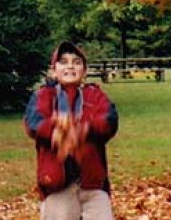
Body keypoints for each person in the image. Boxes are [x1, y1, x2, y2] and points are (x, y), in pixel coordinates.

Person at [23, 41, 119, 220]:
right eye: (64, 62)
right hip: (57, 183)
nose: (70, 66)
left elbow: (109, 121)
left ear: (84, 70)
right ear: (54, 70)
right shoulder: (43, 95)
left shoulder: (94, 94)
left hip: (93, 183)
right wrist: (58, 130)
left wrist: (83, 130)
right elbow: (33, 122)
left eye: (76, 62)